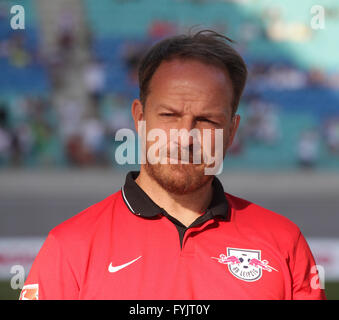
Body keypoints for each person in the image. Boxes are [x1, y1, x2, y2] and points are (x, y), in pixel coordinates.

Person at [20, 30, 326, 300]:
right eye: (169, 115)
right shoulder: (69, 247)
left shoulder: (284, 243)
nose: (185, 138)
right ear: (140, 118)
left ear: (231, 132)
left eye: (206, 120)